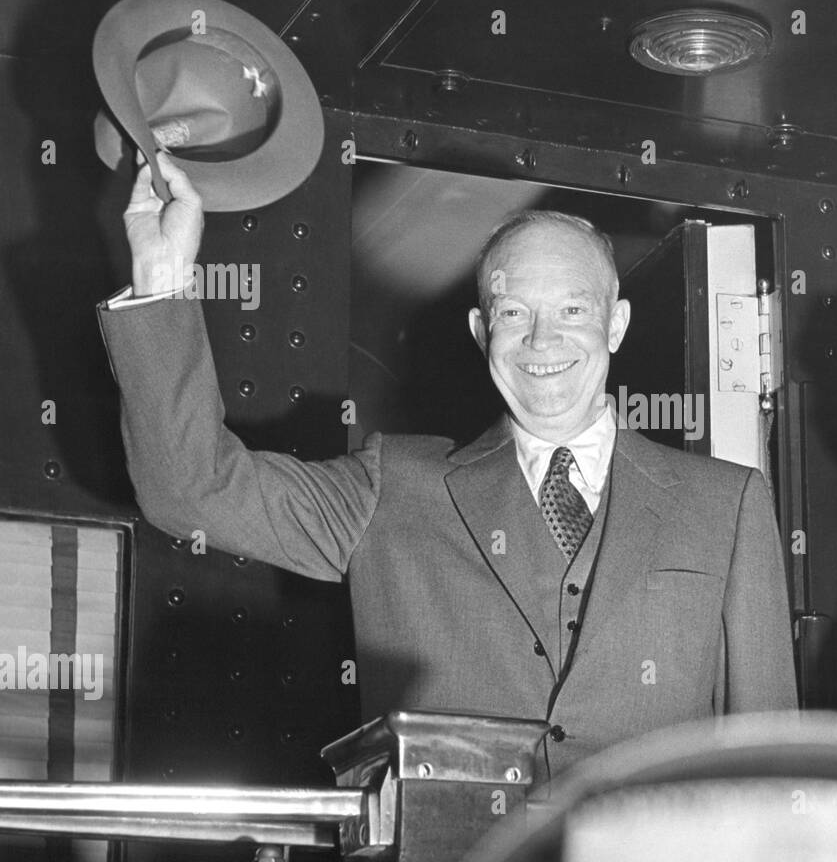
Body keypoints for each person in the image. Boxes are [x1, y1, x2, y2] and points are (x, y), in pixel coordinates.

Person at [97, 153, 797, 781]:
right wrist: (163, 278)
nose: (541, 340)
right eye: (514, 311)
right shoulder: (392, 484)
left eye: (572, 310)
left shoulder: (726, 505)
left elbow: (770, 756)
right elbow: (190, 490)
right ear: (480, 332)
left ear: (615, 325)